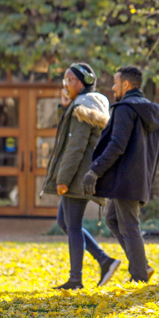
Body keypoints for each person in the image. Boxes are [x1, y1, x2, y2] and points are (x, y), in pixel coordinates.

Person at [81, 66, 159, 285]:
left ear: (126, 85)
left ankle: (139, 275)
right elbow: (157, 150)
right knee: (113, 219)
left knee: (129, 225)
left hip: (126, 179)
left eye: (116, 82)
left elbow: (117, 144)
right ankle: (141, 264)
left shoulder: (125, 109)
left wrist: (94, 170)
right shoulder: (151, 111)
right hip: (138, 177)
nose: (113, 87)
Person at [42, 63, 119, 290]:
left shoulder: (82, 108)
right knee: (64, 222)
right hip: (82, 174)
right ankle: (105, 260)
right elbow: (67, 135)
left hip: (78, 175)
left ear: (84, 82)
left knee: (72, 225)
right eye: (65, 80)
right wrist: (63, 107)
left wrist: (62, 179)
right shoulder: (83, 105)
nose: (66, 84)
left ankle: (76, 279)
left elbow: (74, 147)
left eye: (71, 80)